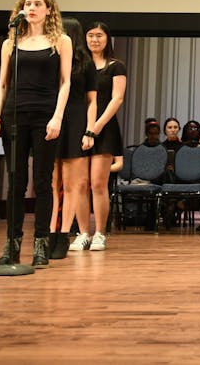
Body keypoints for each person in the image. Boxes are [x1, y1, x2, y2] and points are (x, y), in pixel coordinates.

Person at [0, 0, 72, 269]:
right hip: (14, 115)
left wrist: (57, 117)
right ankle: (12, 244)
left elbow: (65, 82)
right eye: (27, 4)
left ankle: (41, 244)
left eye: (37, 4)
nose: (31, 8)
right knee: (16, 183)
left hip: (45, 115)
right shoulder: (10, 42)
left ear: (49, 9)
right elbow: (3, 84)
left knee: (43, 182)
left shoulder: (61, 41)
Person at [75, 21, 127, 252]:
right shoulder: (79, 66)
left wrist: (95, 127)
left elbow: (117, 99)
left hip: (104, 128)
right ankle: (83, 233)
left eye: (99, 35)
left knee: (98, 183)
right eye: (90, 35)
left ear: (107, 39)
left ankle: (100, 233)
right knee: (80, 184)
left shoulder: (116, 66)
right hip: (79, 127)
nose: (94, 40)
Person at [49, 17, 97, 259]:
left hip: (76, 120)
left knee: (71, 183)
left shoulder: (86, 64)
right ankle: (48, 232)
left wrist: (89, 130)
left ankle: (63, 234)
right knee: (50, 182)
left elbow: (92, 101)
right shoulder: (49, 59)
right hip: (51, 119)